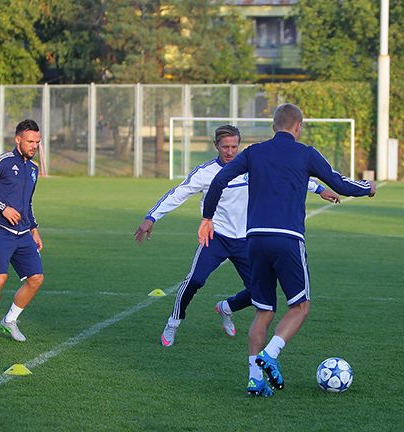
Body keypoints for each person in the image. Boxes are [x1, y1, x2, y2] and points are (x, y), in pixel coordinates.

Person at [199, 104, 375, 397]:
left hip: (254, 239)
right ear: (299, 126)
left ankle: (255, 380)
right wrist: (367, 188)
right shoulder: (306, 153)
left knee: (264, 311)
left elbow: (219, 180)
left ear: (273, 126)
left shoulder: (254, 152)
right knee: (300, 307)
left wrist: (207, 217)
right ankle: (270, 354)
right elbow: (340, 184)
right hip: (288, 239)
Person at [135, 124, 339, 348]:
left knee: (258, 293)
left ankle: (226, 308)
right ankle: (174, 322)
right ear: (216, 146)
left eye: (234, 146)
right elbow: (178, 193)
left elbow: (285, 173)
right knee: (194, 280)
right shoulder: (205, 173)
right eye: (225, 147)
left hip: (247, 241)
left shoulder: (252, 164)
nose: (230, 151)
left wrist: (320, 189)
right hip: (216, 237)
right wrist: (151, 217)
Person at [0, 119, 44, 345]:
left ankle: (10, 320)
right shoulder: (2, 162)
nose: (34, 146)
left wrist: (34, 229)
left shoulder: (33, 170)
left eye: (37, 142)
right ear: (18, 139)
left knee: (36, 278)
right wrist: (3, 208)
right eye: (30, 141)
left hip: (23, 232)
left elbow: (28, 202)